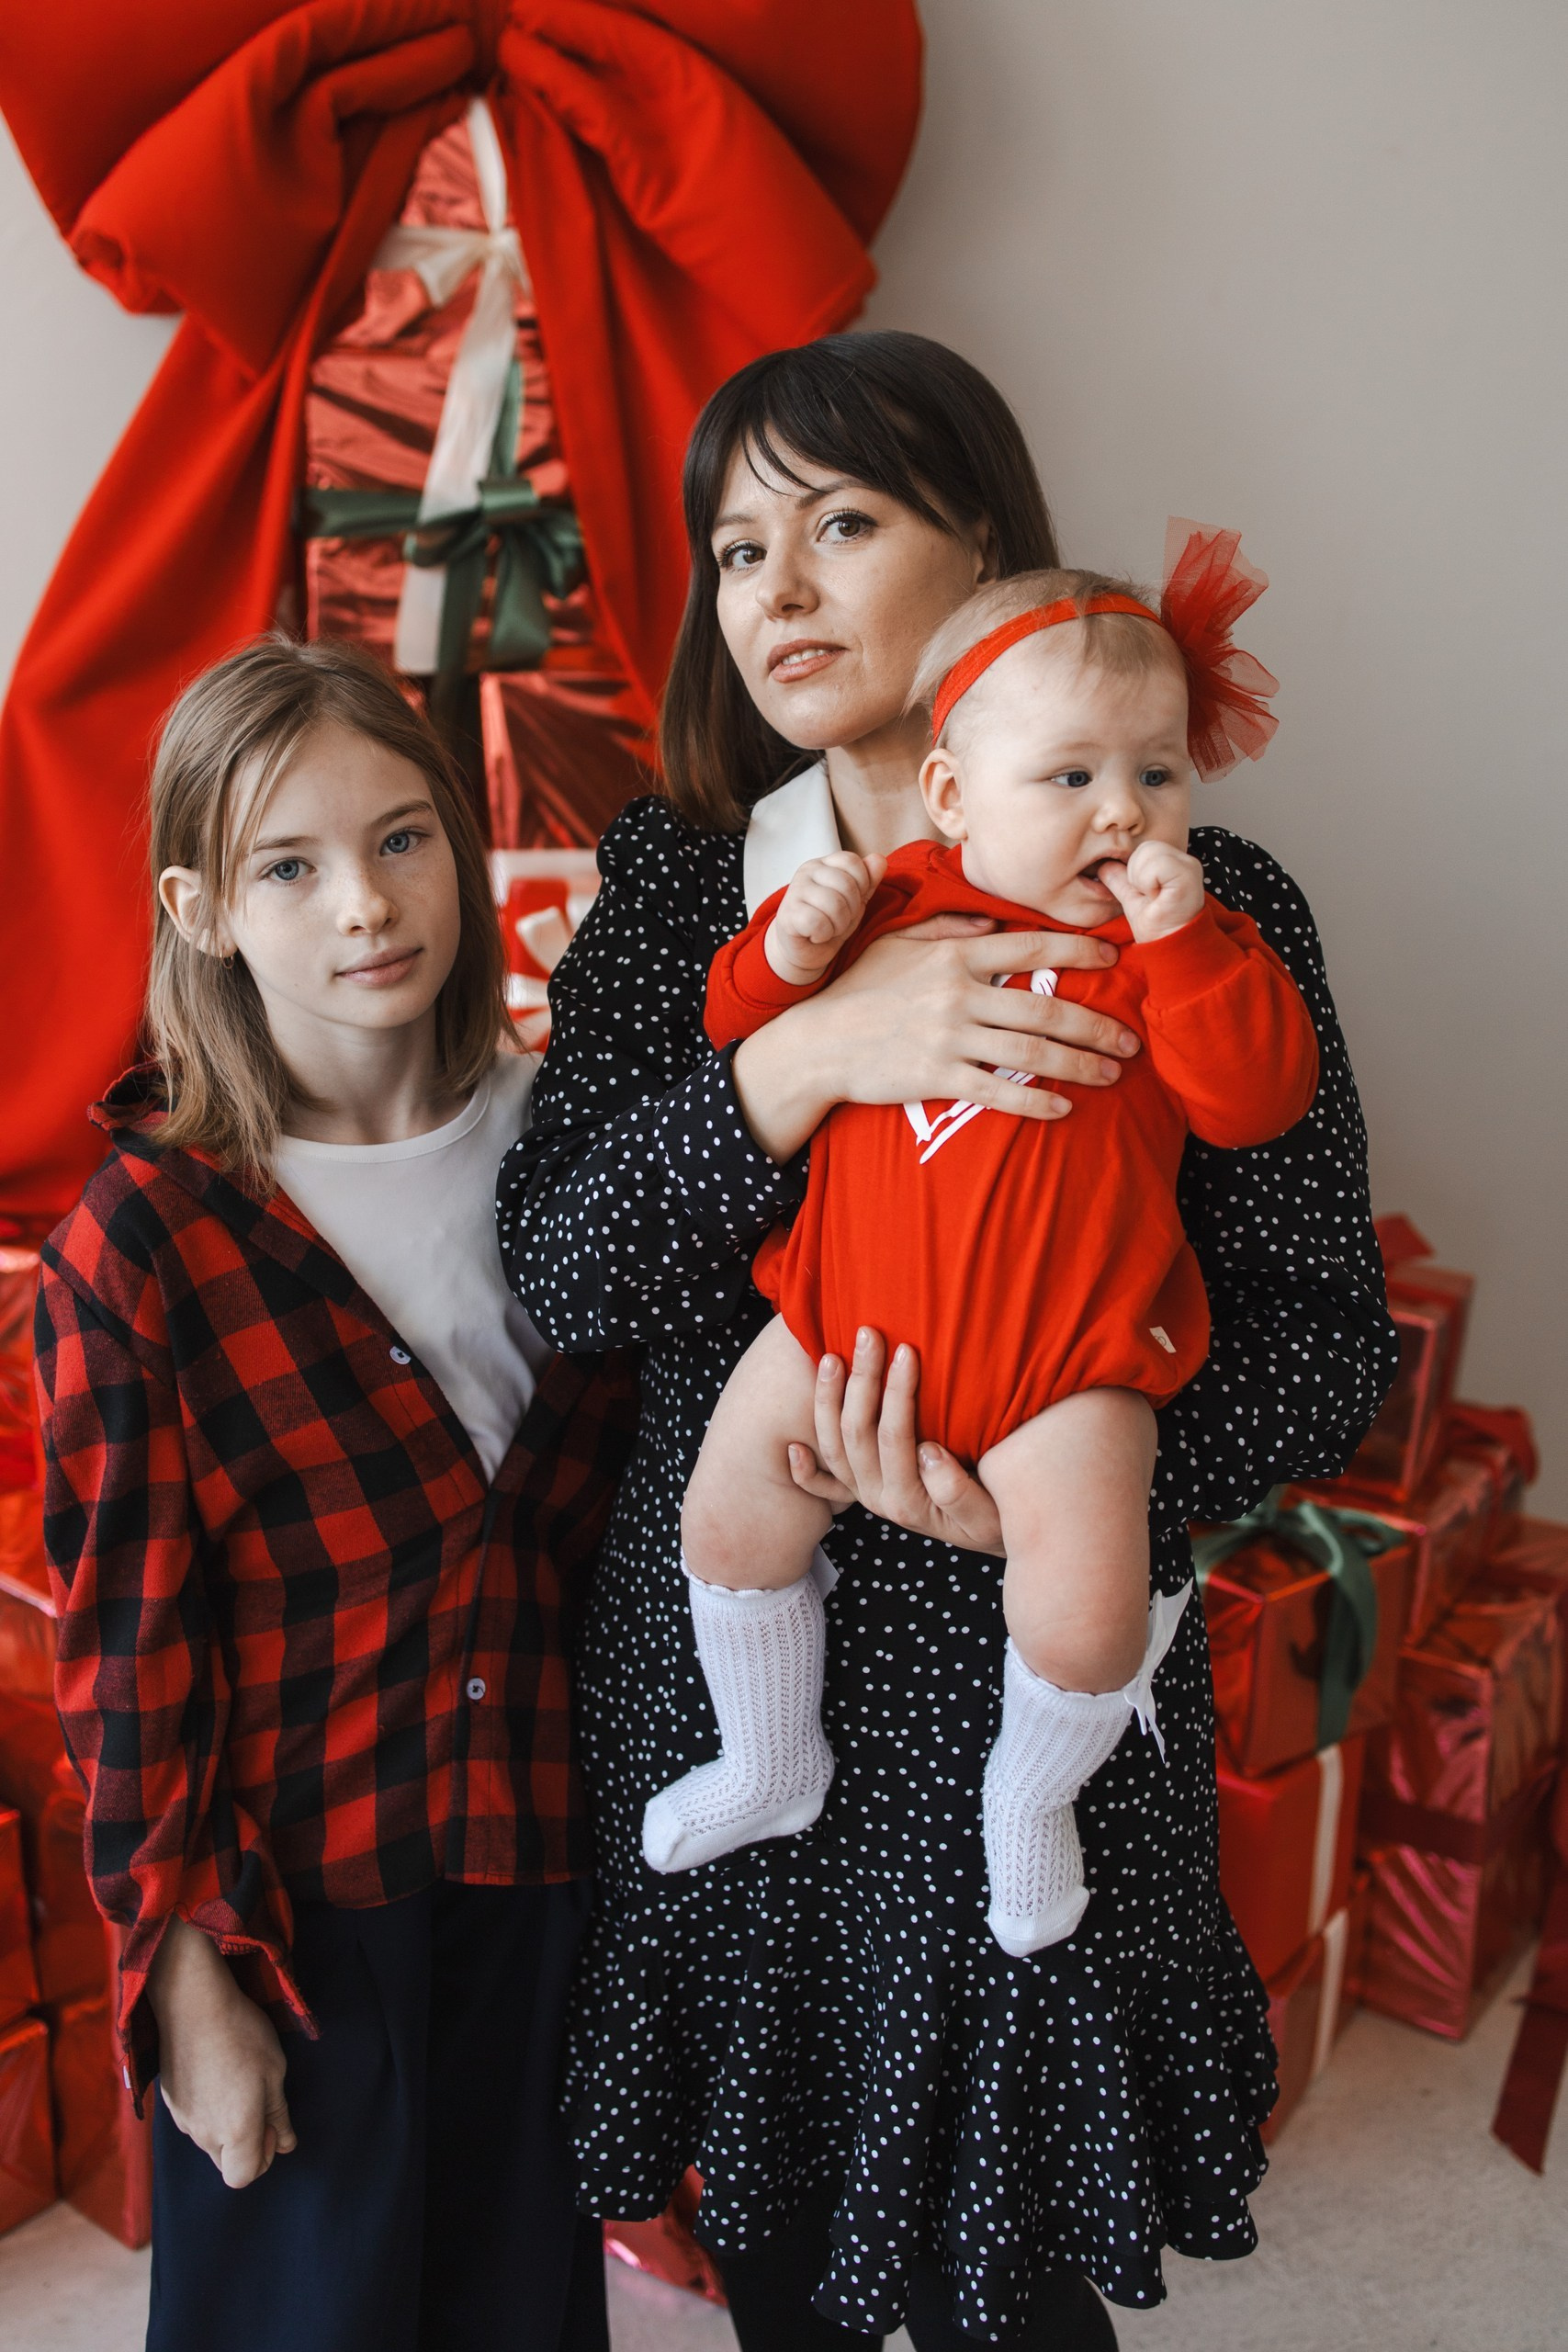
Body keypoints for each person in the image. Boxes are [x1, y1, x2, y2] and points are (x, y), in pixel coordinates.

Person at [500, 332, 1397, 2349]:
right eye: (738, 550)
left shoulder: (1199, 903)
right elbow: (564, 1272)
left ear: (987, 545)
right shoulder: (682, 884)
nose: (776, 590)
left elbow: (1324, 1339)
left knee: (1011, 2284)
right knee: (787, 2271)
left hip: (1017, 1707)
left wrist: (1060, 1487)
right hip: (737, 1677)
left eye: (839, 523)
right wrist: (805, 1059)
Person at [33, 639, 637, 2352]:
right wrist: (184, 1976)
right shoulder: (142, 1243)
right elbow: (126, 1660)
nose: (366, 902)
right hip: (300, 1916)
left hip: (539, 1871)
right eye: (288, 867)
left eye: (401, 839)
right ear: (203, 909)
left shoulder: (577, 1152)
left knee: (519, 2310)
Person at [651, 548, 1320, 1961]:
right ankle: (768, 1755)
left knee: (1086, 1612)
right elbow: (730, 1027)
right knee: (722, 1518)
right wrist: (787, 958)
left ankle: (1030, 1799)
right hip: (832, 1324)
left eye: (1156, 774)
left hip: (1064, 1371)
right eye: (1070, 776)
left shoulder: (1187, 950)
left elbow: (1258, 1102)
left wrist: (1188, 949)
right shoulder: (887, 906)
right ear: (953, 797)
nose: (1123, 813)